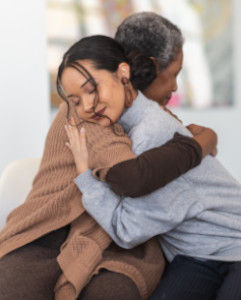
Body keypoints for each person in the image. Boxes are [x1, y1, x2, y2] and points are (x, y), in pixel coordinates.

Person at [0, 14, 216, 300]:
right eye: (173, 74)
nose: (175, 87)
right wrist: (201, 143)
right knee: (16, 286)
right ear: (145, 68)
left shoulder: (155, 119)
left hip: (124, 243)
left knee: (114, 289)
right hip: (50, 230)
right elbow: (133, 176)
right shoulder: (89, 113)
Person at [60, 34, 241, 300]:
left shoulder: (149, 134)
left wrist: (84, 175)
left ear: (123, 73)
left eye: (92, 88)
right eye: (75, 101)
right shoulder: (124, 130)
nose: (87, 105)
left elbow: (128, 231)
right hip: (194, 255)